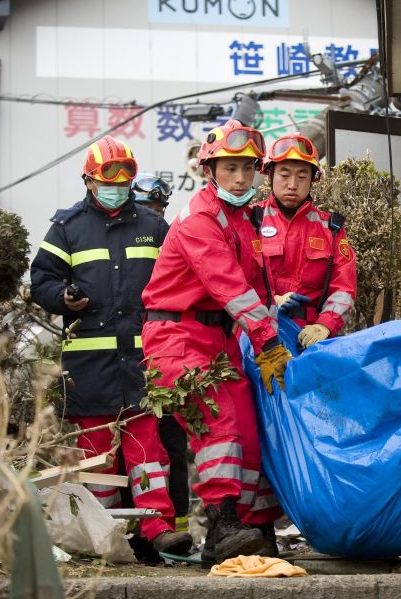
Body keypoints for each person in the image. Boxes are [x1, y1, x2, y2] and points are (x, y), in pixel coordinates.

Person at [140, 120, 293, 569]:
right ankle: (222, 525)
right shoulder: (200, 221)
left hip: (218, 338)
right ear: (211, 170)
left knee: (247, 425)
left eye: (248, 169)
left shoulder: (242, 220)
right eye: (231, 168)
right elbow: (232, 289)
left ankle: (253, 526)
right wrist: (268, 343)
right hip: (175, 336)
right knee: (218, 420)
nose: (241, 179)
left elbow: (259, 290)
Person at [29, 135, 192, 556]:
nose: (118, 183)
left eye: (126, 176)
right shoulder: (67, 228)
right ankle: (105, 535)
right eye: (109, 176)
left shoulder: (154, 227)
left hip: (143, 360)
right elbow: (41, 281)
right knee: (96, 452)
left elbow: (180, 274)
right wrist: (62, 296)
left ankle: (157, 528)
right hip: (90, 363)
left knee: (147, 448)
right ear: (89, 179)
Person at [129, 171, 191, 537]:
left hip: (163, 359)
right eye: (147, 207)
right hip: (127, 364)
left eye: (158, 207)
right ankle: (142, 531)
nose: (153, 214)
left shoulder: (170, 237)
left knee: (172, 447)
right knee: (137, 450)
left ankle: (176, 529)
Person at [252, 133, 357, 347]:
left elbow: (343, 289)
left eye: (302, 176)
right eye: (284, 174)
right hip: (256, 333)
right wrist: (270, 299)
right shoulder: (250, 220)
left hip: (309, 339)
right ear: (270, 175)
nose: (292, 184)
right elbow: (233, 280)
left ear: (312, 179)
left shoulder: (332, 229)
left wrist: (325, 325)